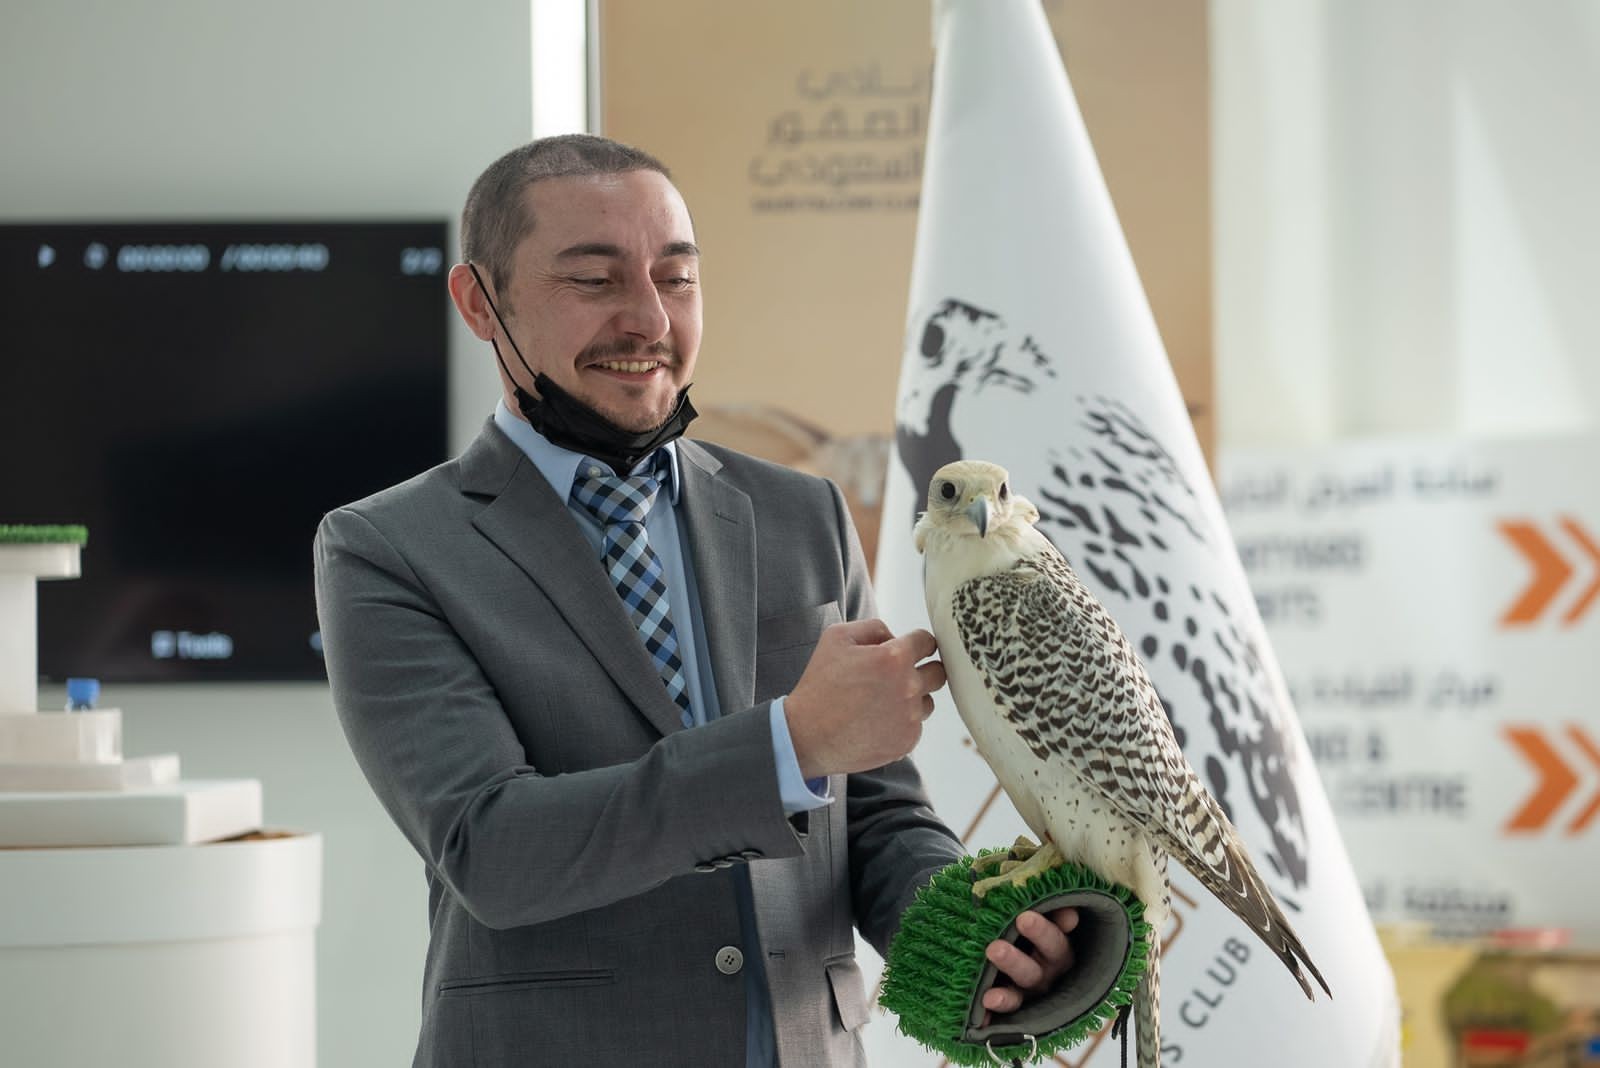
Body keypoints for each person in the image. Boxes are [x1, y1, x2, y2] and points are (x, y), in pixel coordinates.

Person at [314, 133, 1077, 1067]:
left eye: (676, 278)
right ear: (480, 302)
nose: (649, 319)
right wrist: (788, 744)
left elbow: (871, 815)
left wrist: (979, 934)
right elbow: (494, 850)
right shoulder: (387, 549)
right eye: (593, 280)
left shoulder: (803, 513)